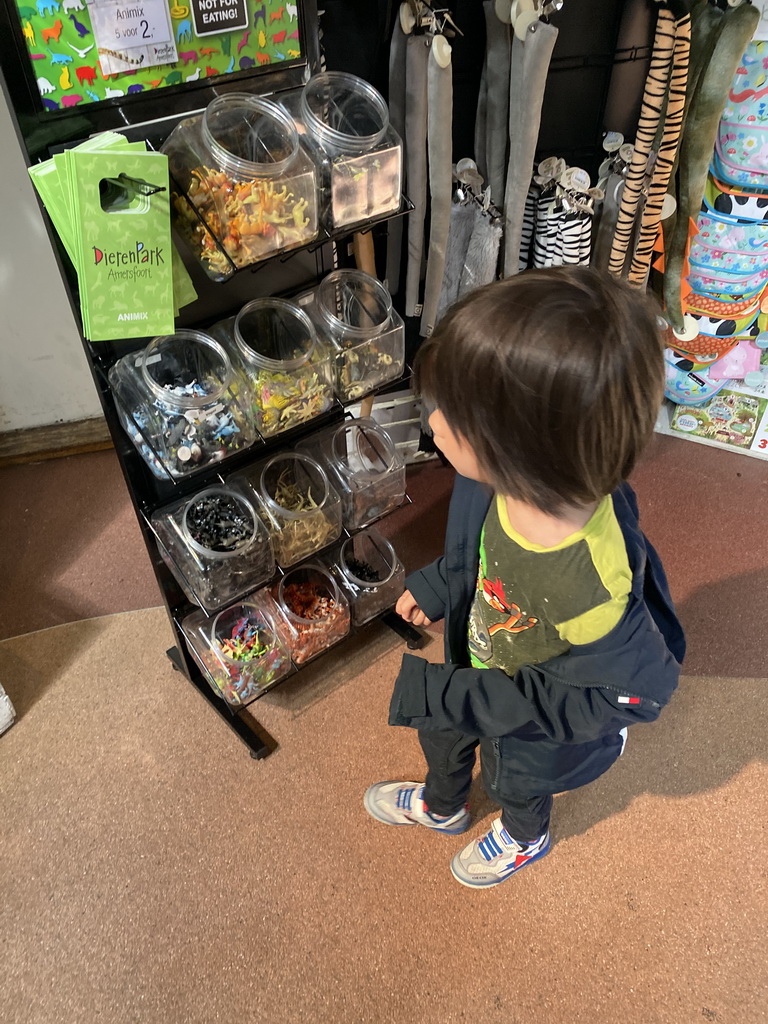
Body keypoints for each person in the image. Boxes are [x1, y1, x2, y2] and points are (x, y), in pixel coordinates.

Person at [363, 266, 685, 890]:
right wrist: (438, 585)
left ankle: (523, 835)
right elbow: (479, 553)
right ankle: (444, 803)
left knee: (517, 778)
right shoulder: (504, 483)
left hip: (531, 714)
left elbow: (636, 693)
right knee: (446, 736)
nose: (432, 426)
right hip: (478, 649)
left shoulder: (589, 583)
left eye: (448, 419)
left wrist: (493, 701)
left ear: (517, 452)